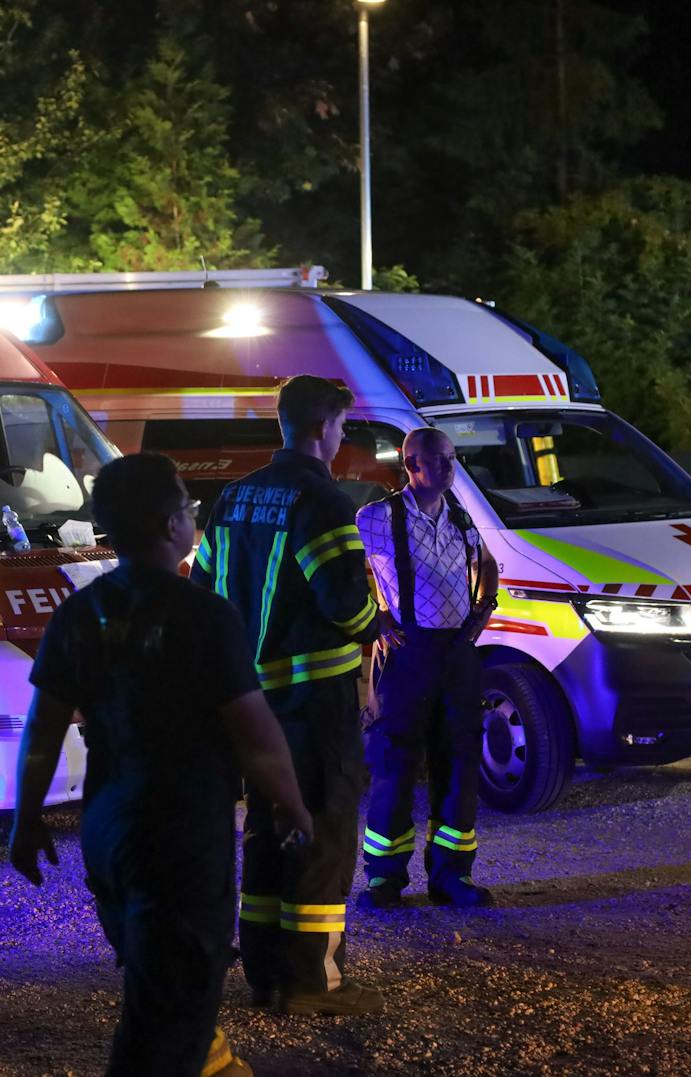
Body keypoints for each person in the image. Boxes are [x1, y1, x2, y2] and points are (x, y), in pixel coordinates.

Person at [9, 453, 312, 1077]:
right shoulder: (204, 615)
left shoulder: (79, 614)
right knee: (163, 1020)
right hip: (180, 837)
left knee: (161, 987)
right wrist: (292, 805)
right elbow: (255, 733)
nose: (192, 517)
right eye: (187, 506)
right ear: (172, 524)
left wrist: (26, 817)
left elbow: (43, 726)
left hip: (110, 832)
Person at [190, 375, 383, 1016]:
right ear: (323, 428)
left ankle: (265, 972)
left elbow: (207, 593)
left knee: (267, 835)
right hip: (313, 702)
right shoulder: (321, 501)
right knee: (324, 830)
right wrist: (377, 623)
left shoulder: (234, 498)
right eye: (341, 428)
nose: (341, 439)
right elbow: (346, 604)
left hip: (252, 702)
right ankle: (313, 981)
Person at [356, 427, 500, 907]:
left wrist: (484, 609)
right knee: (394, 764)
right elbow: (344, 569)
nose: (448, 468)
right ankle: (385, 878)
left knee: (459, 763)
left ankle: (450, 876)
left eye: (452, 460)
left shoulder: (461, 518)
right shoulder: (376, 517)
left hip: (456, 656)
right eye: (438, 460)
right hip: (406, 656)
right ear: (411, 464)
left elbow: (486, 562)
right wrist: (375, 619)